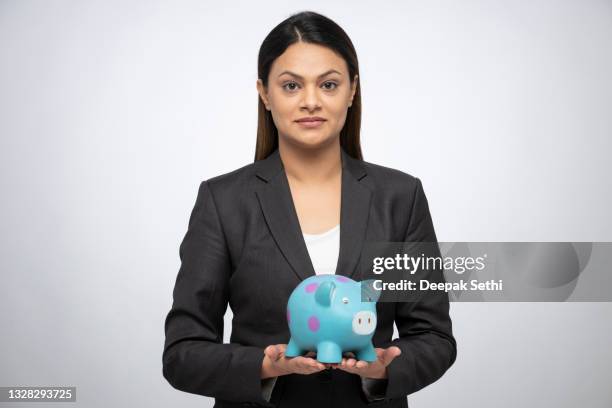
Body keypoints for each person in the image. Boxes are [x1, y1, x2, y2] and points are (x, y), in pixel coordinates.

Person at [162, 10, 456, 408]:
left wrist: (384, 369)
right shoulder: (223, 201)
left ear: (352, 91)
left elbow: (434, 337)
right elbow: (183, 354)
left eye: (329, 84)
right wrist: (265, 366)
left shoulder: (400, 197)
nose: (311, 101)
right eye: (291, 86)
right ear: (265, 93)